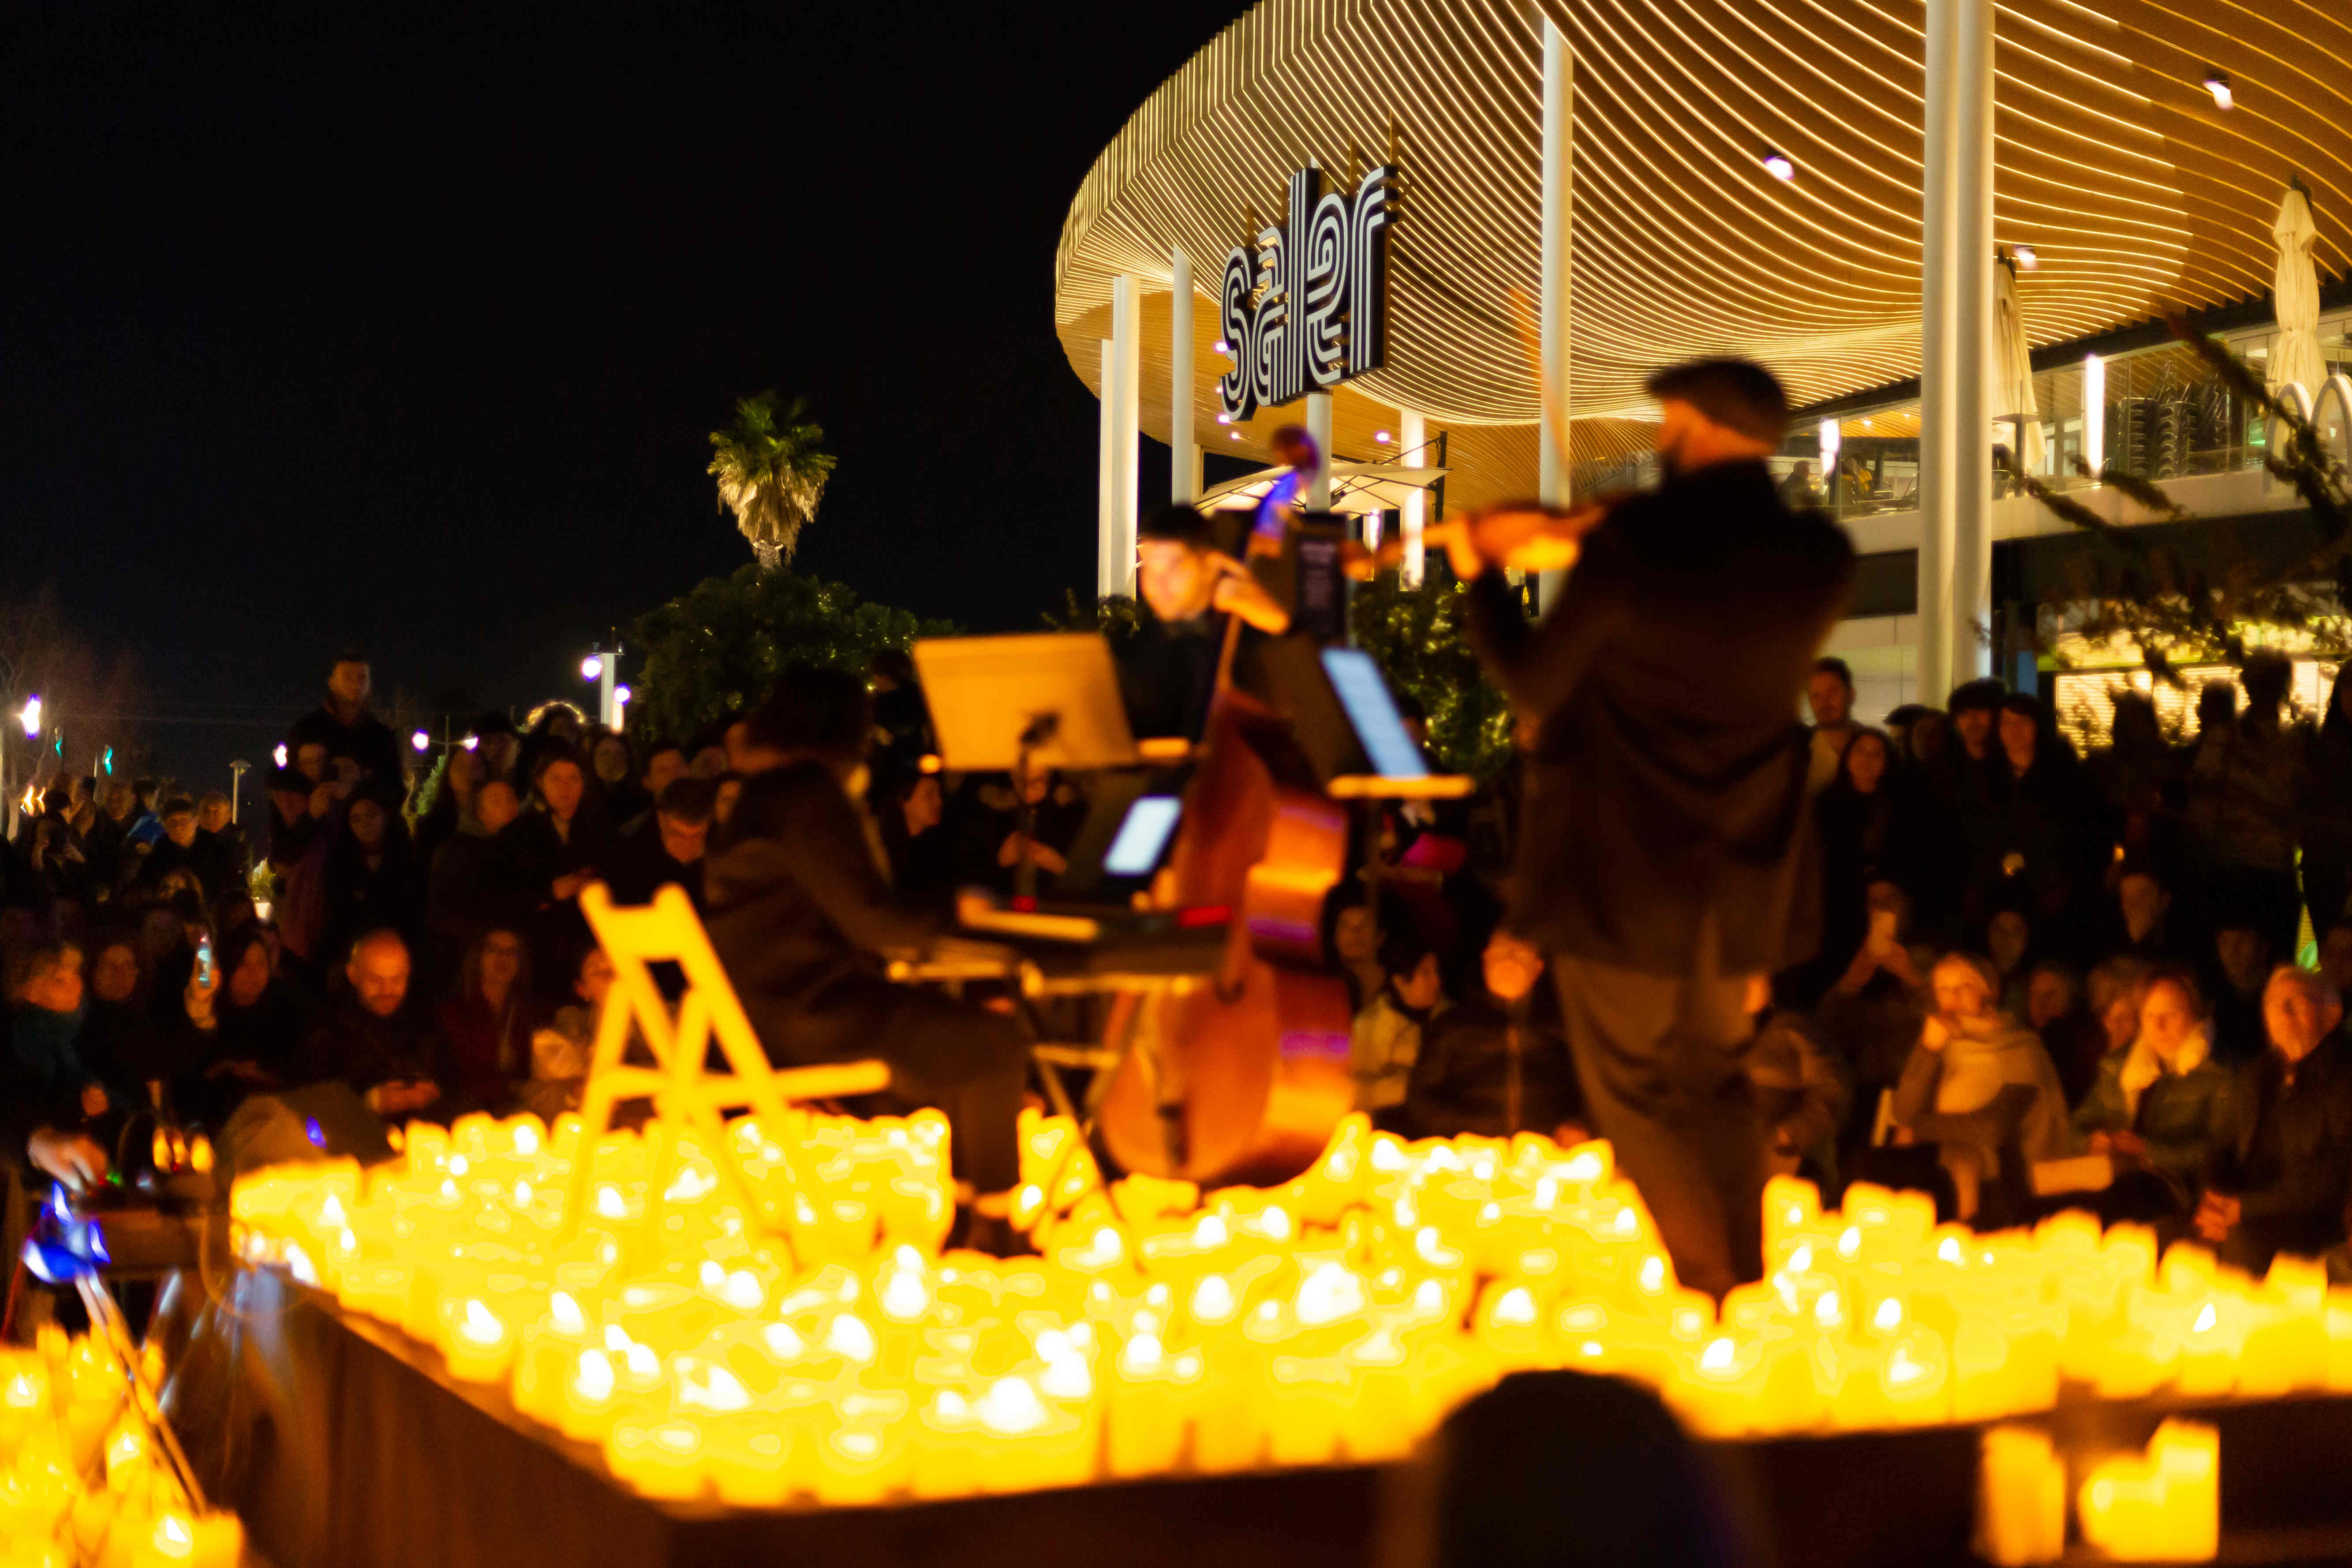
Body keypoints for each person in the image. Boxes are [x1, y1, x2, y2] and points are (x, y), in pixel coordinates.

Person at [1458, 356, 1855, 1297]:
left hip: (1624, 874)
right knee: (1716, 1085)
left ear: (1705, 428)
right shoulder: (1817, 559)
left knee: (1634, 1092)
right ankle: (1740, 1286)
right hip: (1741, 878)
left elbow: (1531, 683)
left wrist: (1477, 569)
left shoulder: (1635, 543)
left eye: (1668, 420)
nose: (1657, 437)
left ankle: (1708, 1286)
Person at [702, 666, 1031, 1225]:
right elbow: (874, 920)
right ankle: (994, 1227)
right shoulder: (808, 797)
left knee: (964, 1039)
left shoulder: (761, 799)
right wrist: (958, 910)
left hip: (762, 1015)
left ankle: (975, 1216)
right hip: (812, 1019)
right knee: (994, 1042)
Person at [1889, 952, 2072, 1221]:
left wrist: (1919, 1129)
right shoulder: (1940, 1044)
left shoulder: (2019, 1047)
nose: (1953, 999)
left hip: (2009, 1180)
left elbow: (1992, 1126)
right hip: (1942, 1170)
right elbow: (1904, 1111)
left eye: (1964, 986)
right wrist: (1927, 1051)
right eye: (1944, 990)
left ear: (1988, 991)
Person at [2197, 966, 2352, 1272]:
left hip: (2309, 1218)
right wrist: (2215, 1197)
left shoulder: (2344, 1079)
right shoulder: (2257, 1074)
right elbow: (2222, 1145)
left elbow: (2333, 1173)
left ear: (2331, 1014)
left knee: (2243, 1245)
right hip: (2243, 1206)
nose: (2282, 1012)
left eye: (2296, 1001)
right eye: (2272, 1003)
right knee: (2164, 1234)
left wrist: (2244, 1208)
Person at [2073, 966, 2237, 1225]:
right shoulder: (2120, 1068)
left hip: (2177, 1190)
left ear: (2196, 1015)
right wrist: (2093, 1141)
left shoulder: (2218, 1075)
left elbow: (2220, 1152)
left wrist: (2148, 1151)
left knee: (2121, 1201)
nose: (2159, 1025)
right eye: (2150, 1015)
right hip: (2108, 1174)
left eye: (2170, 1015)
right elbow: (2078, 1125)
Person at [1115, 502, 1292, 742]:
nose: (1160, 584)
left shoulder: (1258, 637)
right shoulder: (1131, 651)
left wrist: (1280, 625)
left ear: (1211, 565)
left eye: (1174, 568)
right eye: (1151, 571)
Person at [1405, 929, 1586, 1142]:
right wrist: (1475, 1131)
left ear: (1538, 967)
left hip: (1549, 1153)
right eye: (1501, 953)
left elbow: (1594, 1088)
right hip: (1470, 1157)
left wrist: (1581, 1123)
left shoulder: (1565, 1023)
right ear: (1486, 959)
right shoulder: (1452, 1025)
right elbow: (1421, 1102)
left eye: (1520, 954)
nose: (1509, 961)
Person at [290, 929, 445, 1119]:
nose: (387, 991)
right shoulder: (326, 1028)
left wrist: (432, 1092)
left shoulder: (425, 1021)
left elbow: (453, 1080)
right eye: (375, 979)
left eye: (397, 979)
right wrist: (372, 1101)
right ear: (353, 975)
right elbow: (307, 1100)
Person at [424, 778, 527, 978]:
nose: (507, 806)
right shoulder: (458, 851)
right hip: (467, 960)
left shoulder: (521, 850)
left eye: (511, 799)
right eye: (496, 800)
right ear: (480, 811)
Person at [435, 928, 537, 1113]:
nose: (503, 958)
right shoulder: (454, 1011)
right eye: (493, 950)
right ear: (478, 957)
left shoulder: (523, 1013)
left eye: (511, 952)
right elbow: (453, 1080)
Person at [1350, 932, 1446, 1123]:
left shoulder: (1446, 1017)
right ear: (1400, 982)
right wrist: (1411, 1085)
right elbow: (1355, 1092)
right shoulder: (1370, 1028)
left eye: (1437, 972)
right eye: (1426, 973)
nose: (1436, 981)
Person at [286, 651, 404, 786]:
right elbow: (290, 785)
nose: (356, 685)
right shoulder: (305, 732)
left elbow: (394, 789)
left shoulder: (382, 738)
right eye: (347, 677)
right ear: (332, 682)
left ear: (370, 685)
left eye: (362, 677)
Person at [604, 775, 717, 908]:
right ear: (661, 820)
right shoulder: (628, 860)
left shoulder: (724, 855)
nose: (687, 845)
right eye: (677, 834)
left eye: (697, 836)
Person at [1805, 657, 1859, 791]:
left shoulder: (1874, 747)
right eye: (1816, 696)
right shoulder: (1798, 751)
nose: (1825, 703)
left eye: (1833, 692)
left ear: (1852, 695)